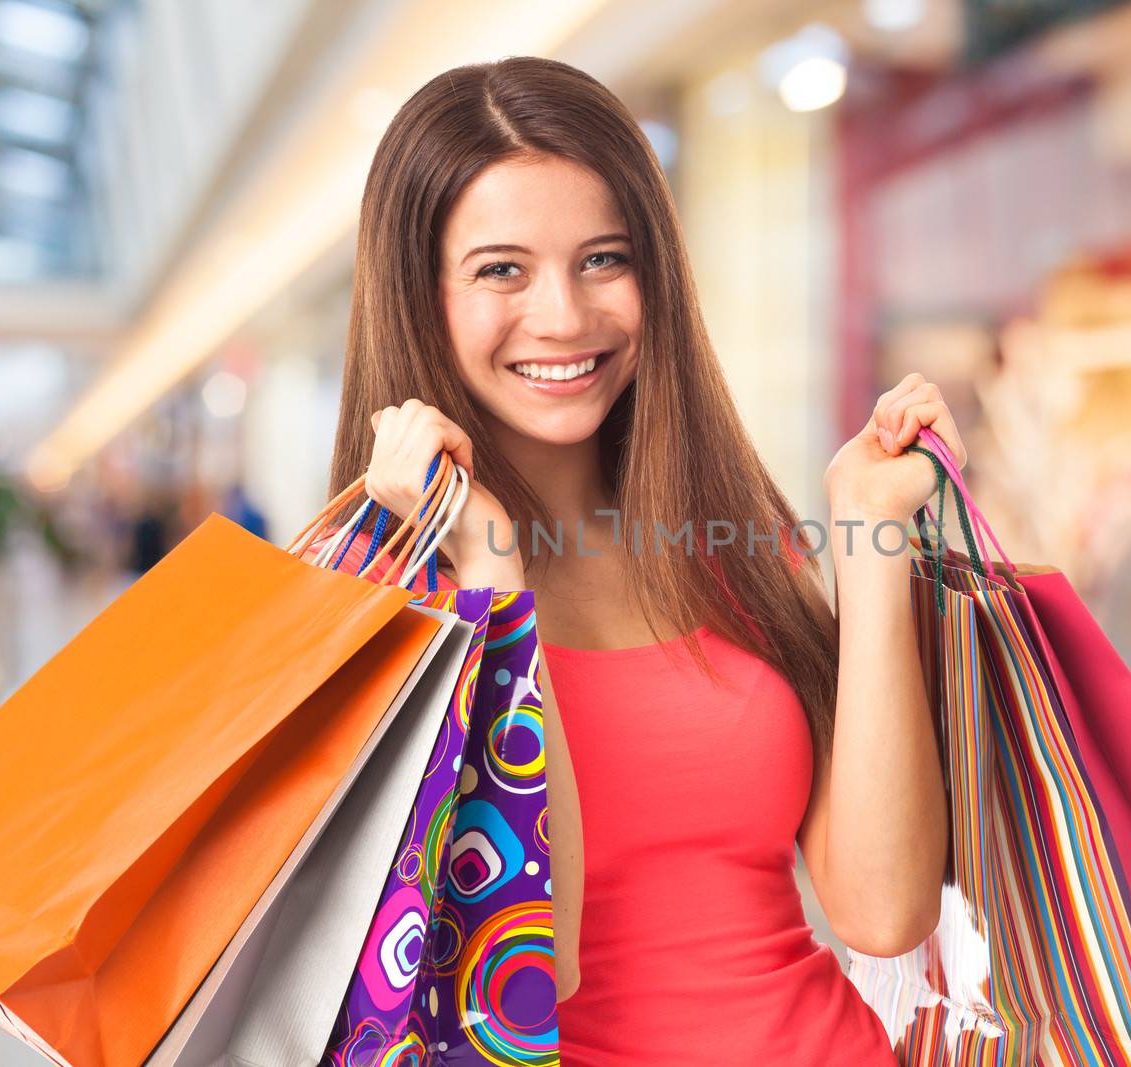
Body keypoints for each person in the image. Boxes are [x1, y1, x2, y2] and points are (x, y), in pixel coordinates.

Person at [310, 55, 965, 1066]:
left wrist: (865, 537)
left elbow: (882, 910)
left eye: (603, 259)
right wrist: (492, 570)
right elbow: (539, 960)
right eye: (501, 269)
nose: (565, 316)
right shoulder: (371, 604)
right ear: (419, 293)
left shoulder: (726, 540)